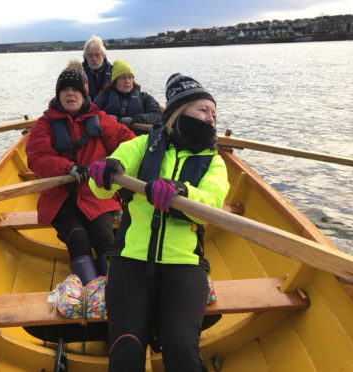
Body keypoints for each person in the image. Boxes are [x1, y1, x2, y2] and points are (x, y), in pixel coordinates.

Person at [88, 73, 230, 371]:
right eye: (203, 110)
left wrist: (182, 191)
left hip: (184, 265)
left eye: (214, 113)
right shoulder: (144, 144)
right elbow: (101, 186)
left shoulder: (214, 161)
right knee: (126, 350)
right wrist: (105, 168)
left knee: (180, 346)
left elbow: (212, 203)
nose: (211, 119)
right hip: (130, 259)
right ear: (179, 112)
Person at [25, 65, 135, 286]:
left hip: (97, 193)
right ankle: (92, 292)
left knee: (105, 240)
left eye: (75, 90)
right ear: (58, 95)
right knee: (79, 241)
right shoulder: (44, 124)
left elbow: (131, 143)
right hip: (59, 195)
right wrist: (69, 168)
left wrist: (117, 162)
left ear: (84, 94)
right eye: (64, 90)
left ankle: (113, 291)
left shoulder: (101, 119)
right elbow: (37, 158)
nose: (70, 94)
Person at [94, 59, 162, 133]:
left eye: (130, 77)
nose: (127, 81)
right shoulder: (103, 96)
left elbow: (157, 115)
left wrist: (136, 119)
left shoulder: (145, 97)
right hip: (111, 135)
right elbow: (92, 113)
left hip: (137, 138)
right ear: (115, 81)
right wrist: (106, 118)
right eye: (123, 77)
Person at [82, 35, 112, 101]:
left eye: (97, 55)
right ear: (85, 56)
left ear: (103, 55)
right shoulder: (78, 72)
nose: (94, 59)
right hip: (87, 109)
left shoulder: (113, 70)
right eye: (90, 55)